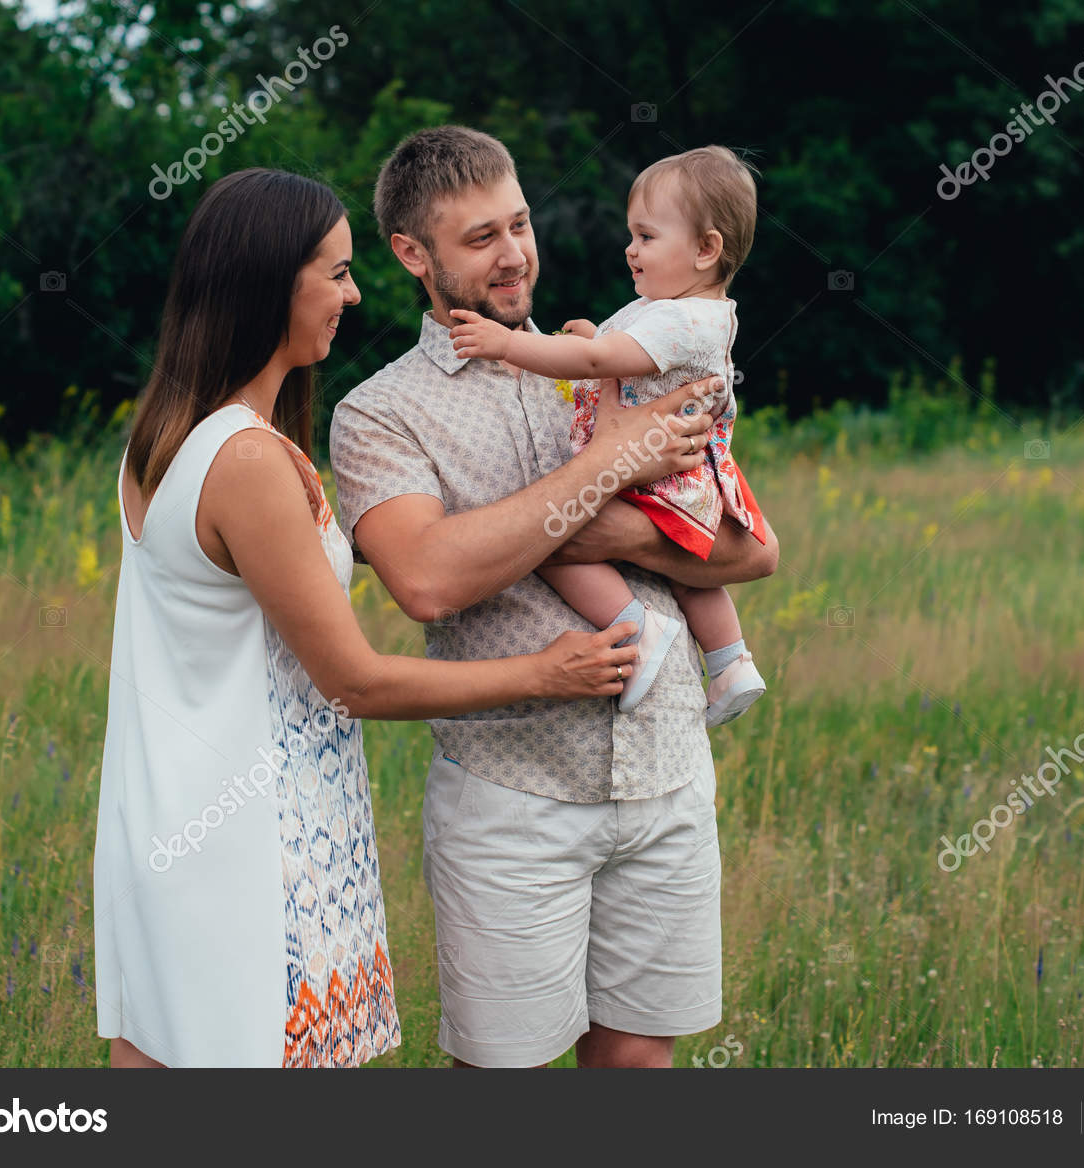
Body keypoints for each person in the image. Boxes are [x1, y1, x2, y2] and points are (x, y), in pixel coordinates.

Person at [92, 167, 699, 1068]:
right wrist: (547, 673)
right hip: (251, 844)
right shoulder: (249, 459)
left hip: (175, 815)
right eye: (334, 273)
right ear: (270, 282)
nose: (355, 291)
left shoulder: (169, 435)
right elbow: (356, 679)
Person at [330, 126, 779, 1069]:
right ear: (413, 255)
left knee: (638, 1068)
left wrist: (599, 530)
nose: (514, 254)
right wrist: (615, 469)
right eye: (480, 237)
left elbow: (749, 551)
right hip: (515, 795)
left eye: (521, 224)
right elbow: (427, 579)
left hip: (665, 771)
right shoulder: (379, 412)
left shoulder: (619, 353)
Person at [448, 145, 768, 726]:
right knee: (680, 567)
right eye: (632, 235)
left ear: (706, 249)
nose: (631, 249)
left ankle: (638, 629)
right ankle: (729, 659)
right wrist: (599, 336)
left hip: (653, 467)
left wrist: (506, 344)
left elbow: (598, 364)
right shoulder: (683, 309)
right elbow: (633, 363)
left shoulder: (681, 316)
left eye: (646, 236)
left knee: (545, 539)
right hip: (678, 471)